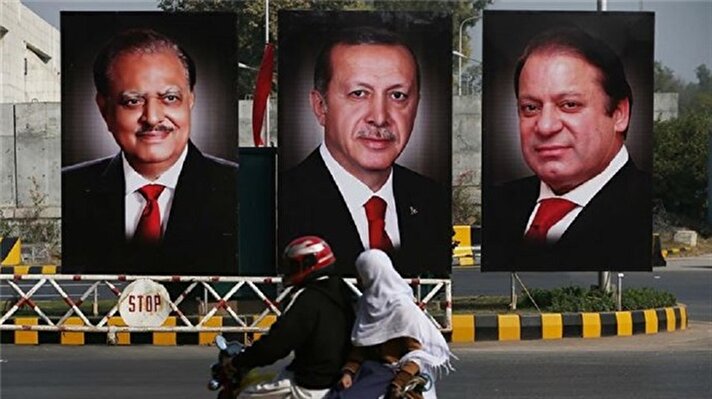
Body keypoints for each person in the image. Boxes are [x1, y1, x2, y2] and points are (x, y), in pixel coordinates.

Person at [62, 28, 238, 275]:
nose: (152, 117)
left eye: (170, 98)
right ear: (104, 110)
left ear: (191, 101)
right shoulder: (71, 189)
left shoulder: (237, 188)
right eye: (133, 101)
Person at [279, 26, 451, 278]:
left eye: (398, 95)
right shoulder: (283, 200)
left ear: (416, 107)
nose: (379, 118)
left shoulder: (433, 200)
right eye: (359, 94)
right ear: (320, 107)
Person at [485, 27, 652, 271]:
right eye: (530, 108)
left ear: (619, 114)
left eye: (569, 105)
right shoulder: (498, 204)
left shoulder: (644, 211)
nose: (545, 126)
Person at [223, 236, 355, 399]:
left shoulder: (306, 298)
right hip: (338, 379)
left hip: (309, 385)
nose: (290, 270)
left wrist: (239, 362)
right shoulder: (342, 292)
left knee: (244, 395)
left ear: (308, 264)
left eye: (293, 265)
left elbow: (277, 344)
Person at [329, 249, 454, 399]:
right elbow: (362, 346)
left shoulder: (401, 308)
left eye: (361, 273)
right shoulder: (366, 303)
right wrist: (349, 372)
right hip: (372, 372)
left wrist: (399, 382)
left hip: (398, 375)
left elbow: (417, 354)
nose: (358, 279)